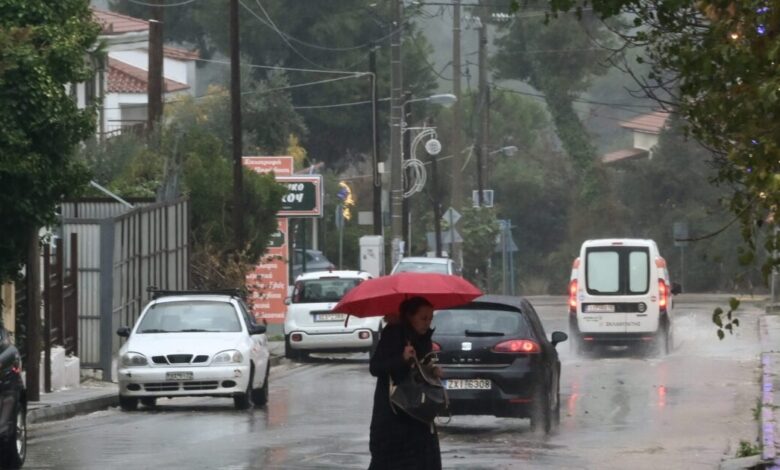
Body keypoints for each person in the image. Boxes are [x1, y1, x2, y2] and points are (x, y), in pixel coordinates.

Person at [368, 296, 443, 470]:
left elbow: (420, 369)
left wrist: (431, 370)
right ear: (410, 316)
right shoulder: (393, 333)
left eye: (430, 318)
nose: (427, 323)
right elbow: (376, 367)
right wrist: (401, 358)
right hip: (393, 416)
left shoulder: (424, 338)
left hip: (419, 415)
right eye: (423, 318)